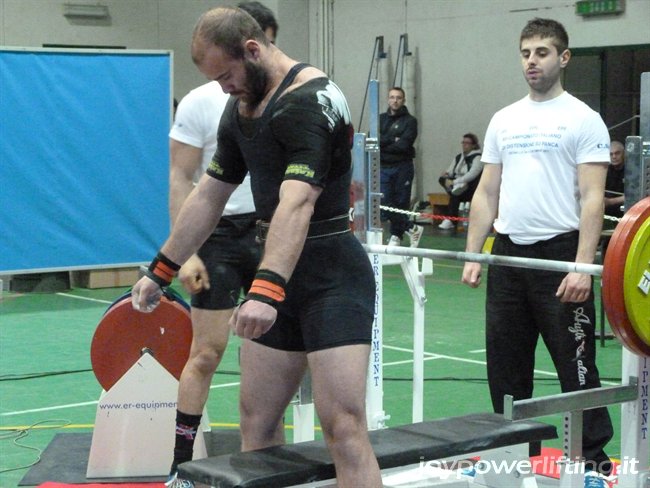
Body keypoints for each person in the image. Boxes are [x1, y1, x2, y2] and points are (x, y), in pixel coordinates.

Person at [132, 7, 382, 488]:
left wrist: (266, 290)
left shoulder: (313, 100)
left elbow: (297, 202)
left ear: (252, 49)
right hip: (281, 273)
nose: (223, 87)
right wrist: (161, 268)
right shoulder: (242, 105)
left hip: (332, 278)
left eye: (226, 75)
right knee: (257, 423)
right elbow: (209, 194)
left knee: (344, 428)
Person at [461, 18, 614, 478]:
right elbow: (487, 192)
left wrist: (583, 267)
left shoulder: (583, 119)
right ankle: (513, 453)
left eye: (542, 52)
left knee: (576, 362)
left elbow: (592, 199)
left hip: (561, 255)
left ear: (563, 58)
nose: (532, 61)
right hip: (508, 255)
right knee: (505, 365)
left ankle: (593, 458)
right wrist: (474, 254)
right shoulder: (504, 119)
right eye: (526, 52)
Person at [165, 4, 278, 486]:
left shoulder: (289, 96)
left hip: (273, 234)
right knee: (206, 353)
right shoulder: (200, 102)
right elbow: (181, 178)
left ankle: (269, 463)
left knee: (271, 360)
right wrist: (184, 252)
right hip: (219, 239)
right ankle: (181, 468)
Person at [379, 86, 423, 247]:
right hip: (383, 167)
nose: (395, 100)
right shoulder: (380, 119)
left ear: (403, 100)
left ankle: (396, 235)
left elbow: (404, 145)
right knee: (384, 202)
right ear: (388, 99)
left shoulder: (410, 121)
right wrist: (393, 139)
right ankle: (411, 227)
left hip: (402, 167)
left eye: (398, 97)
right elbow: (373, 138)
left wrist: (385, 141)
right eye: (392, 97)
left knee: (400, 203)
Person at [437, 133, 483, 230]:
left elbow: (472, 175)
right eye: (463, 142)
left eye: (467, 143)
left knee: (456, 194)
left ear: (473, 145)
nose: (464, 145)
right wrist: (446, 175)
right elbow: (450, 171)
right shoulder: (458, 157)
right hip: (457, 185)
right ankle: (453, 192)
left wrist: (455, 182)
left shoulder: (478, 158)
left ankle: (451, 219)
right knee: (443, 181)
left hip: (470, 186)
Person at [604, 140, 625, 219]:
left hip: (625, 213)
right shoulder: (605, 170)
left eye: (617, 153)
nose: (614, 157)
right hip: (607, 214)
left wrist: (610, 201)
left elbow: (634, 195)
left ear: (624, 153)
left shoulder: (632, 170)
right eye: (611, 154)